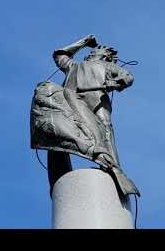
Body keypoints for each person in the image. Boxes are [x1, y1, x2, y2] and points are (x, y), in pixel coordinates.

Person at [45, 34, 137, 196]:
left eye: (96, 51)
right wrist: (83, 42)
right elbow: (59, 54)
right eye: (91, 51)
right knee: (59, 135)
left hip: (96, 101)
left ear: (105, 55)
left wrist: (116, 83)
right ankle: (59, 178)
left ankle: (112, 166)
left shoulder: (108, 66)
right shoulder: (74, 66)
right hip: (70, 101)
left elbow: (127, 77)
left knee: (104, 128)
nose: (91, 53)